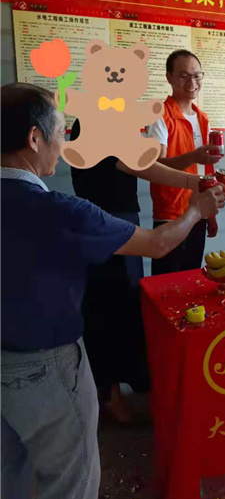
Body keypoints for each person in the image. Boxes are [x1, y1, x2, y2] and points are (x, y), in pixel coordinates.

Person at [1, 83, 224, 499]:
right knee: (70, 484)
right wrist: (197, 209)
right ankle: (116, 397)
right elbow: (158, 242)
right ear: (34, 138)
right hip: (47, 367)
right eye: (60, 133)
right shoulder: (61, 211)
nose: (65, 146)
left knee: (8, 478)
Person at [69, 119, 202, 422]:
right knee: (109, 307)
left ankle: (120, 391)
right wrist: (192, 181)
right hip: (105, 222)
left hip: (120, 220)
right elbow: (141, 166)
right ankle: (110, 396)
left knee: (125, 304)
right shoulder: (96, 123)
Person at [146, 49, 222, 275]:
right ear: (169, 77)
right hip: (171, 215)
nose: (192, 82)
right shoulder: (159, 115)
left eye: (197, 75)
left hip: (199, 211)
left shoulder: (202, 118)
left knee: (192, 277)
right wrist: (193, 156)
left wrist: (211, 213)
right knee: (167, 280)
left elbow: (206, 168)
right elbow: (155, 165)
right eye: (183, 76)